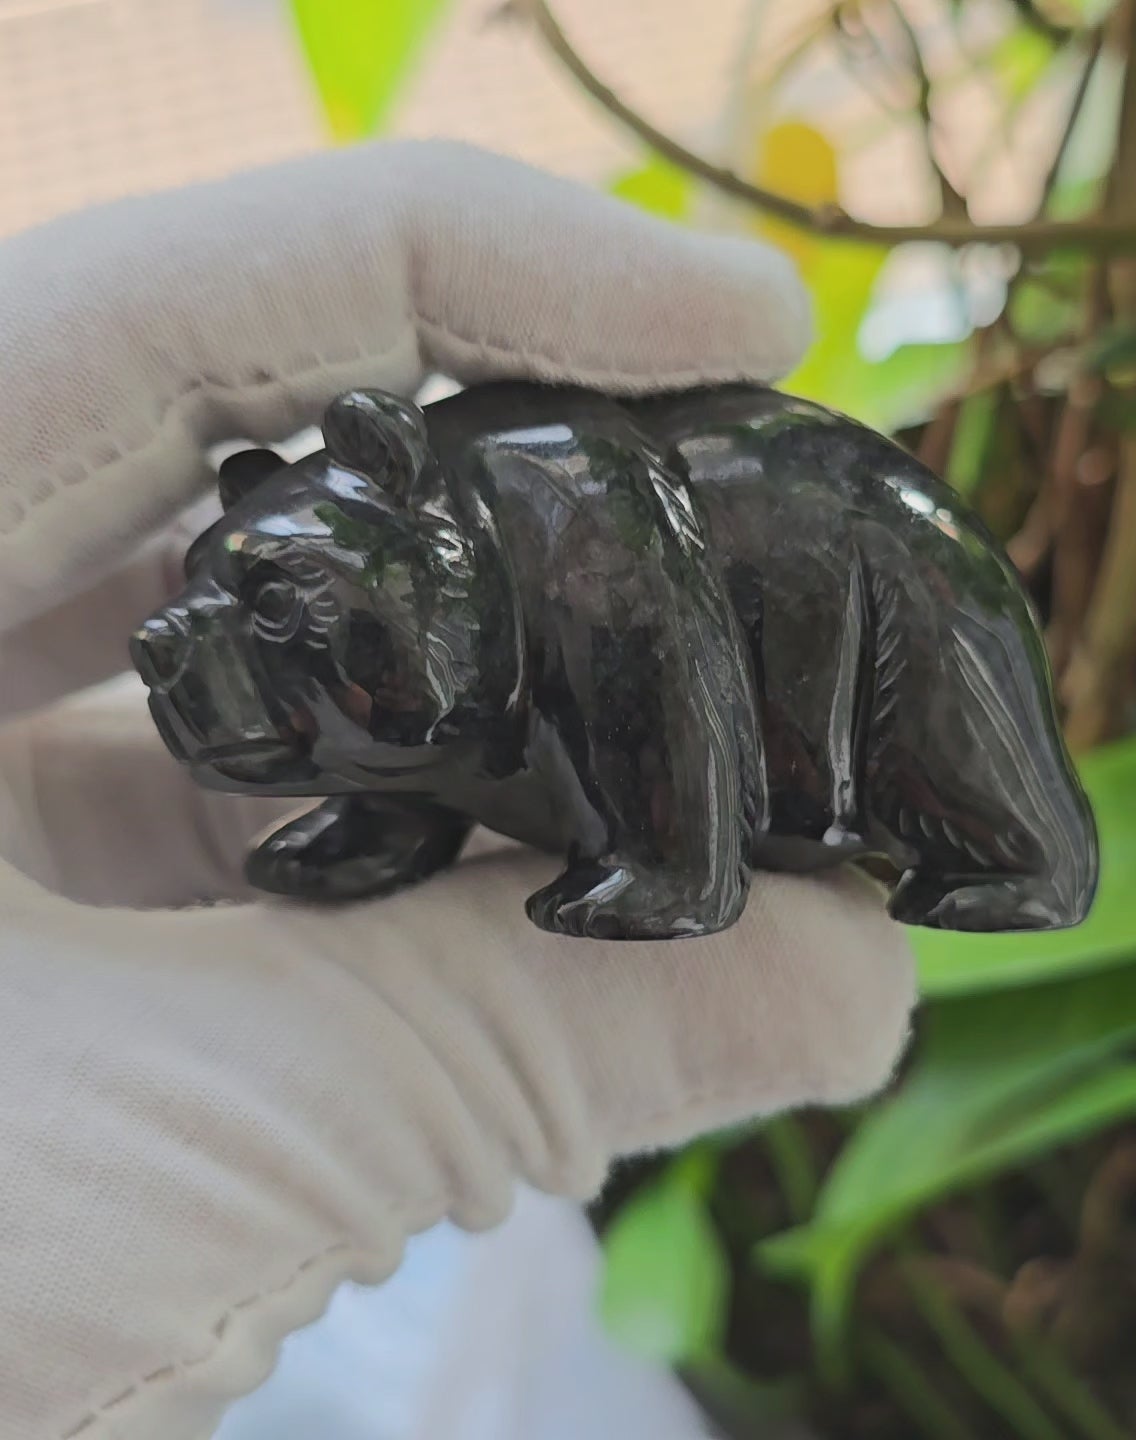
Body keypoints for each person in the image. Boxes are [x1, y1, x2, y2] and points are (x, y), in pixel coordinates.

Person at [0, 139, 916, 1440]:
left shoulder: (583, 527)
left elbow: (660, 705)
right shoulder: (448, 569)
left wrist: (672, 857)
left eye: (267, 602)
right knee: (412, 710)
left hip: (804, 639)